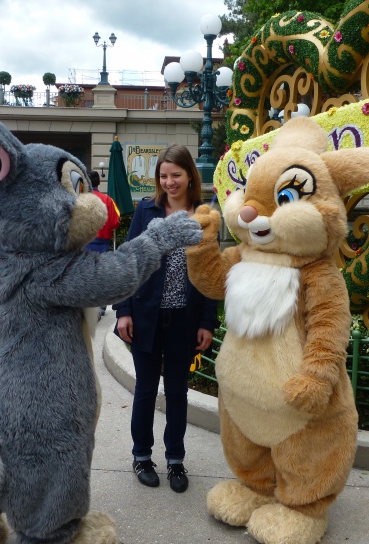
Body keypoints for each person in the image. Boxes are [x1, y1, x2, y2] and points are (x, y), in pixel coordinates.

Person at [114, 144, 219, 494]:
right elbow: (129, 262)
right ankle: (141, 456)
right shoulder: (146, 212)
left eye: (176, 174)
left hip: (183, 321)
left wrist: (207, 322)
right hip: (146, 316)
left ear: (190, 175)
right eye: (164, 175)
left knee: (177, 392)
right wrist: (124, 311)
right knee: (145, 390)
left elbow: (209, 274)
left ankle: (175, 459)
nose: (170, 181)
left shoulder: (203, 216)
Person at [85, 170, 121, 253]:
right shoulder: (108, 200)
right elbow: (115, 222)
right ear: (99, 182)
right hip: (103, 245)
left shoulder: (79, 199)